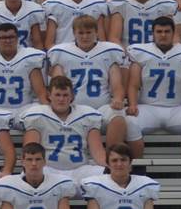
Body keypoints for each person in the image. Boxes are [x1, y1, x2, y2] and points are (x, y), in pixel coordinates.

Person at [125, 17, 181, 176]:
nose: (163, 35)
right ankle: (139, 166)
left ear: (173, 32)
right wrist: (132, 104)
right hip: (147, 107)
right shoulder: (141, 52)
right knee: (129, 121)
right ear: (153, 33)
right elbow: (133, 84)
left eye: (167, 31)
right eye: (159, 31)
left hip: (177, 108)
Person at [47, 15, 128, 149]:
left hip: (102, 107)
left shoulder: (109, 51)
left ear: (96, 32)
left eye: (89, 32)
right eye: (81, 33)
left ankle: (112, 157)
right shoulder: (61, 52)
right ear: (74, 33)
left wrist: (118, 98)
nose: (85, 37)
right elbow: (57, 84)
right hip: (73, 107)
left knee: (118, 117)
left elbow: (117, 84)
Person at [21, 75, 106, 185]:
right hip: (49, 170)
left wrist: (108, 169)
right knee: (31, 173)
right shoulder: (38, 116)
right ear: (49, 96)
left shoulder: (87, 115)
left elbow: (98, 152)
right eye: (57, 95)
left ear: (72, 97)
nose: (61, 99)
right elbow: (30, 150)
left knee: (107, 175)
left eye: (65, 95)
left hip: (80, 170)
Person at [0, 23, 47, 115]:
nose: (7, 41)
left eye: (11, 37)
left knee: (39, 109)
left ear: (17, 39)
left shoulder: (29, 58)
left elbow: (41, 93)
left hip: (24, 110)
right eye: (3, 38)